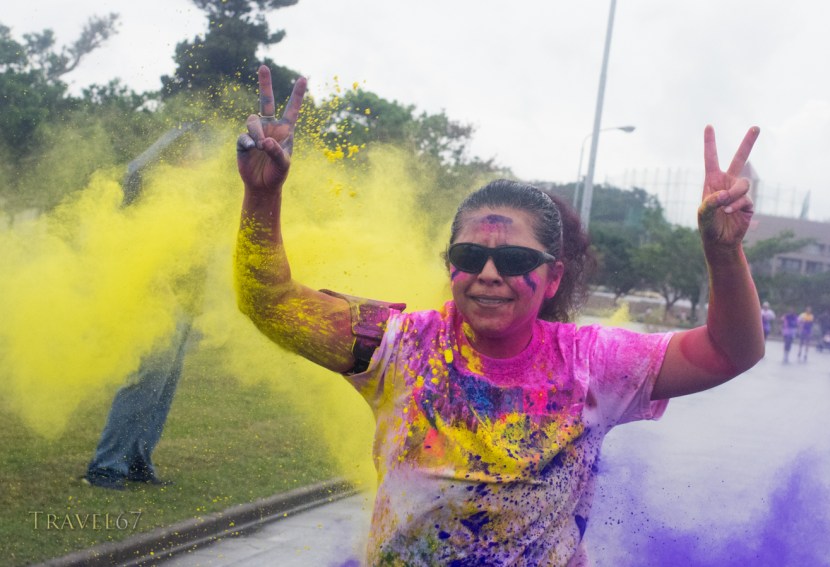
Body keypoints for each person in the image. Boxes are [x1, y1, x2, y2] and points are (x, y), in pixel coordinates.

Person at [234, 65, 764, 566]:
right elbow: (271, 302)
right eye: (470, 257)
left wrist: (722, 253)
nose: (489, 273)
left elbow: (729, 351)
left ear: (553, 277)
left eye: (513, 260)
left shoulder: (591, 365)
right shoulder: (397, 348)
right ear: (450, 267)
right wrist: (262, 195)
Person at [83, 317, 191, 490]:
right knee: (142, 387)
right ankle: (105, 468)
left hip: (185, 306)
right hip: (161, 306)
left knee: (161, 392)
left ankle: (136, 462)